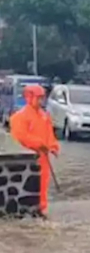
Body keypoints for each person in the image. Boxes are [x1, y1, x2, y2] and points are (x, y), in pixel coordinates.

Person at [10, 85, 60, 216]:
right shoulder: (19, 117)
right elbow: (20, 137)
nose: (41, 101)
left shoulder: (44, 116)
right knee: (30, 184)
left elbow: (50, 135)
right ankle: (28, 210)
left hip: (43, 157)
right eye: (38, 98)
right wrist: (39, 144)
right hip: (28, 159)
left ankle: (41, 209)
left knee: (43, 183)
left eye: (42, 98)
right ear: (29, 97)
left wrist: (53, 147)